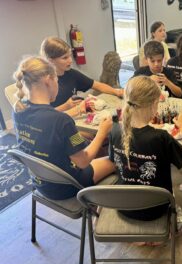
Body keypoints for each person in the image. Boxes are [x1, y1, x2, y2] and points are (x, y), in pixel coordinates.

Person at [12, 56, 115, 200]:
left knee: (88, 147)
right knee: (116, 160)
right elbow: (83, 161)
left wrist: (68, 108)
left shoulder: (18, 109)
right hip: (67, 186)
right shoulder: (62, 121)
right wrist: (102, 132)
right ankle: (104, 207)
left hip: (41, 183)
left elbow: (46, 121)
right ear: (48, 80)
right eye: (57, 80)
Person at [108, 76, 182, 220]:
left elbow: (114, 160)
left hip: (124, 205)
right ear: (153, 105)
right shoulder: (160, 137)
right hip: (155, 209)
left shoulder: (115, 130)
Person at [40, 37, 123, 114]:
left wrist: (117, 92)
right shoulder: (44, 83)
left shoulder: (71, 74)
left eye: (70, 56)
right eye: (65, 58)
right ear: (51, 61)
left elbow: (97, 85)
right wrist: (66, 106)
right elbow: (43, 117)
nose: (70, 60)